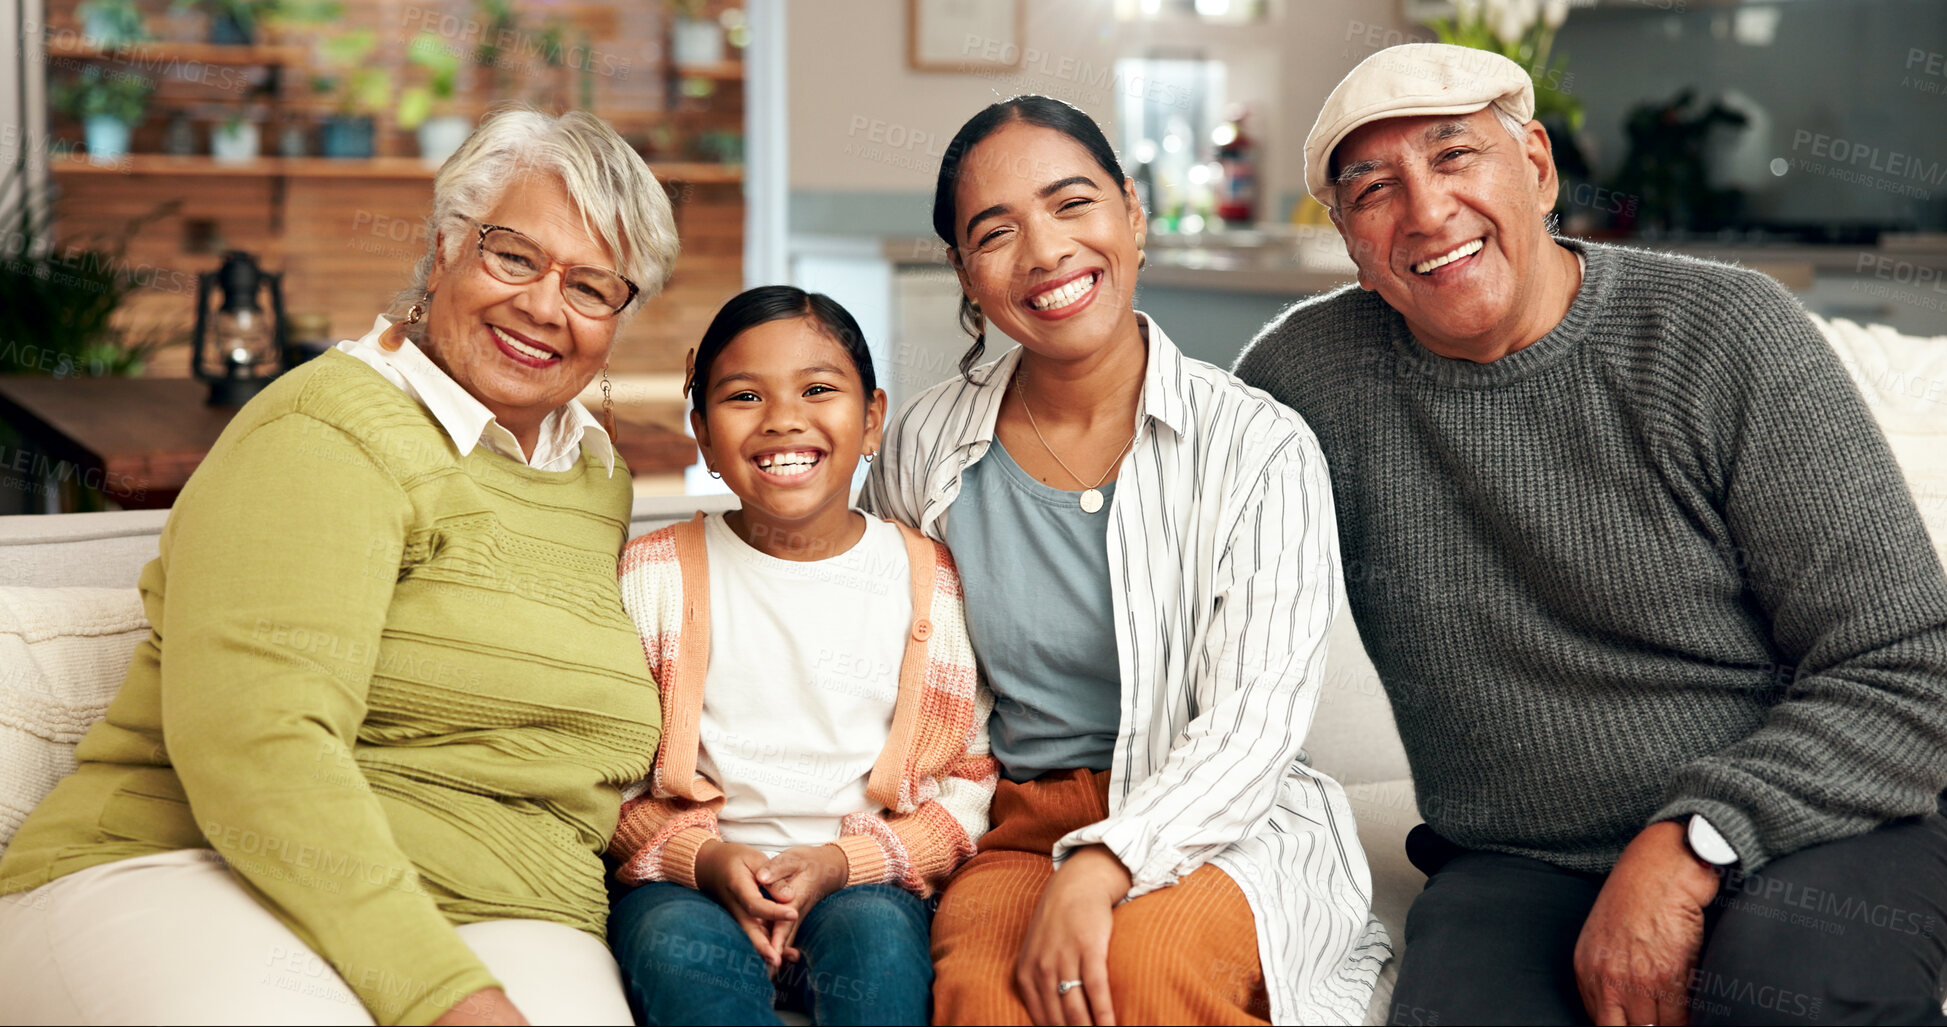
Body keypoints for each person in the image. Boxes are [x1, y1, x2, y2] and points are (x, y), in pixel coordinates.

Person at [1234, 42, 1947, 1027]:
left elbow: (1910, 660)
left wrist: (1694, 839)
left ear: (1534, 167)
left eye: (1454, 158)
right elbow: (1177, 544)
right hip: (1522, 859)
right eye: (1374, 189)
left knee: (1786, 996)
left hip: (1816, 821)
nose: (1427, 212)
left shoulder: (1725, 334)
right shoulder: (1307, 377)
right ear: (1350, 238)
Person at [0, 107, 680, 1026]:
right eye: (515, 256)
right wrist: (447, 997)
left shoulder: (592, 476)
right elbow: (258, 745)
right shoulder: (329, 429)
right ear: (443, 249)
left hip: (520, 907)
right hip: (192, 870)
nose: (545, 305)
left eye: (593, 286)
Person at [864, 95, 1389, 1027]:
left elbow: (1253, 723)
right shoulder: (924, 446)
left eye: (1073, 204)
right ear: (964, 272)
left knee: (1135, 971)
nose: (1045, 251)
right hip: (1016, 830)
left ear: (1132, 213)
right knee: (986, 1000)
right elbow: (882, 665)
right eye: (996, 232)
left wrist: (1109, 861)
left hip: (1224, 822)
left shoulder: (1258, 446)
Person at [604, 285, 997, 1026]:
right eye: (744, 395)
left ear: (872, 417)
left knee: (879, 955)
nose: (783, 418)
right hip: (687, 882)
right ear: (702, 432)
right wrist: (707, 861)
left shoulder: (932, 586)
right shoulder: (650, 577)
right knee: (675, 952)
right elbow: (610, 779)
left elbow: (969, 782)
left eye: (817, 389)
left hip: (861, 881)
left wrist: (842, 864)